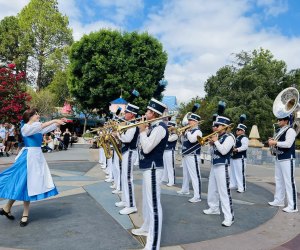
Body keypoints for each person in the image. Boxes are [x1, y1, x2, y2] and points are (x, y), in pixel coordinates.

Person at [0, 108, 66, 227]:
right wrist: (54, 120)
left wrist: (59, 121)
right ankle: (25, 214)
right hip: (28, 158)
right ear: (30, 116)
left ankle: (7, 207)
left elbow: (47, 127)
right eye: (36, 114)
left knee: (24, 184)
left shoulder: (37, 126)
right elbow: (42, 126)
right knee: (27, 184)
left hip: (36, 158)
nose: (38, 115)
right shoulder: (26, 127)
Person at [131, 98, 168, 250]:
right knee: (147, 202)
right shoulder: (152, 127)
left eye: (147, 111)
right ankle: (146, 227)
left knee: (153, 206)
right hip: (148, 168)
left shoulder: (159, 128)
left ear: (153, 113)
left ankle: (153, 244)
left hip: (153, 169)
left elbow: (146, 148)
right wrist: (144, 131)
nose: (145, 113)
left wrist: (141, 131)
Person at [203, 101, 236, 227]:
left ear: (225, 126)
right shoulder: (218, 137)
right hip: (215, 165)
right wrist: (211, 145)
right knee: (212, 189)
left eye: (219, 125)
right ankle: (214, 208)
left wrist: (216, 142)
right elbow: (213, 153)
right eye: (216, 125)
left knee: (224, 192)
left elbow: (223, 151)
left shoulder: (230, 137)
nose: (216, 128)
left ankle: (229, 217)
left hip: (223, 166)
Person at [268, 116, 298, 213]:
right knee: (279, 180)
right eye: (278, 119)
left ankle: (293, 206)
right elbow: (279, 142)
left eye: (280, 120)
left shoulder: (290, 130)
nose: (278, 121)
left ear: (286, 121)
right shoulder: (280, 130)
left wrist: (275, 142)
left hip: (287, 158)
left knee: (289, 181)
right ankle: (279, 200)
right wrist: (273, 141)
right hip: (279, 158)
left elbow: (288, 144)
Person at [115, 103, 140, 215]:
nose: (124, 114)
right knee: (124, 177)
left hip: (130, 152)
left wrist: (118, 135)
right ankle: (125, 200)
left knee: (128, 178)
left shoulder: (133, 125)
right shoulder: (129, 124)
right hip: (126, 151)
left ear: (132, 114)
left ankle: (131, 205)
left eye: (126, 112)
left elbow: (128, 139)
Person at [177, 104, 202, 203]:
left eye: (191, 120)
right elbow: (183, 141)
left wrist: (186, 131)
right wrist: (182, 135)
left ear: (196, 122)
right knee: (186, 174)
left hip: (193, 155)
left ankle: (197, 196)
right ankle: (185, 189)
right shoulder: (189, 131)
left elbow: (192, 140)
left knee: (195, 175)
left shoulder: (198, 131)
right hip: (186, 154)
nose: (189, 122)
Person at [230, 115, 249, 193]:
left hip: (240, 157)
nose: (237, 131)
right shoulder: (236, 137)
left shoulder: (244, 138)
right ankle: (233, 184)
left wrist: (237, 149)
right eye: (237, 129)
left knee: (240, 173)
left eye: (239, 130)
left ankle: (242, 187)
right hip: (234, 157)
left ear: (243, 131)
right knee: (233, 172)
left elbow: (245, 147)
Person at [161, 121, 178, 186]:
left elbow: (169, 140)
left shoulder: (175, 135)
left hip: (170, 151)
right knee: (165, 166)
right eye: (168, 127)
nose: (168, 128)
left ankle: (172, 181)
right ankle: (164, 178)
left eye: (169, 127)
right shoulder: (169, 134)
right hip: (165, 151)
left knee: (171, 167)